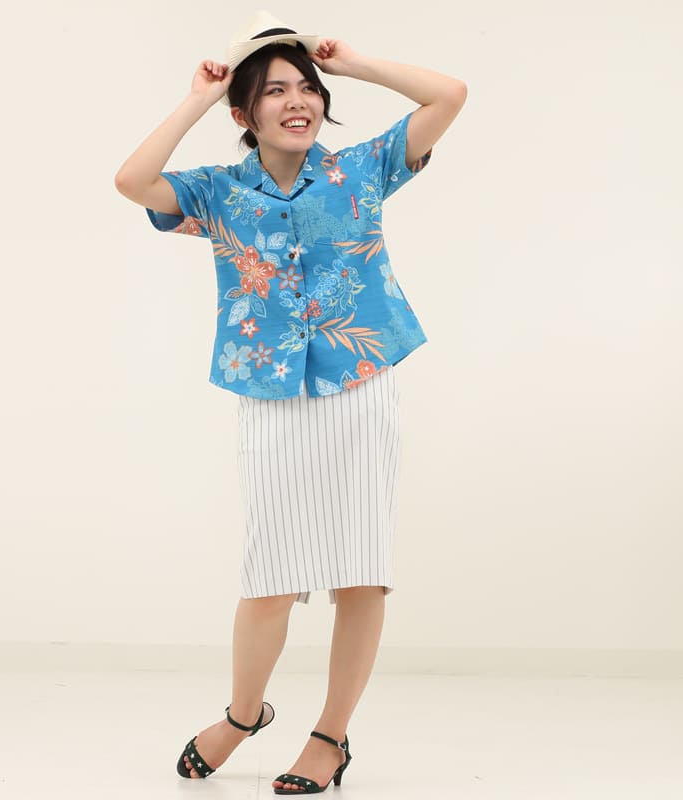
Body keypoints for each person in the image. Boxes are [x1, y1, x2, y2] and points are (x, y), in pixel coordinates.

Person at [114, 10, 466, 795]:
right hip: (269, 392)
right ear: (245, 112)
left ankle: (330, 737)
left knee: (360, 571)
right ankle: (244, 716)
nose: (297, 101)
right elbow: (132, 181)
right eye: (275, 91)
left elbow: (449, 95)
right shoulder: (216, 192)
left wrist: (355, 64)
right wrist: (198, 99)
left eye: (306, 87)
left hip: (362, 382)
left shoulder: (362, 169)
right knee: (270, 575)